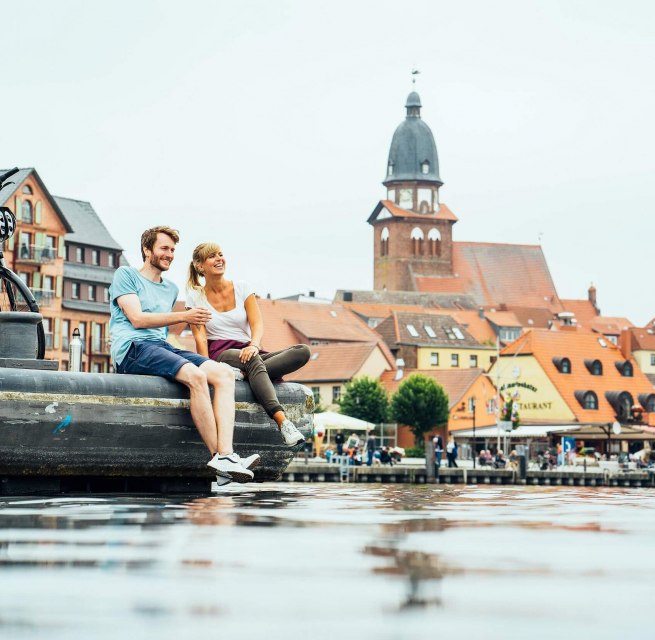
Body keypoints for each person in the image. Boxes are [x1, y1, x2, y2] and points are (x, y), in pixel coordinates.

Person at [109, 226, 256, 484]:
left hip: (160, 346)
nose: (169, 254)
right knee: (196, 376)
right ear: (147, 250)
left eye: (173, 250)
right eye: (164, 248)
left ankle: (228, 455)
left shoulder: (171, 288)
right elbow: (138, 319)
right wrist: (185, 316)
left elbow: (161, 331)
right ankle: (218, 456)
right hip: (132, 348)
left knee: (223, 374)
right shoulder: (126, 275)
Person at [186, 242, 311, 447]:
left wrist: (254, 344)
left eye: (221, 254)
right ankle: (283, 422)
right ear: (200, 266)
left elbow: (257, 323)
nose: (219, 259)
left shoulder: (242, 287)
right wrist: (208, 368)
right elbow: (200, 338)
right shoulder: (195, 296)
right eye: (212, 256)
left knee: (301, 351)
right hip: (222, 353)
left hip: (249, 350)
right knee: (254, 361)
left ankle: (243, 375)